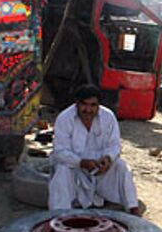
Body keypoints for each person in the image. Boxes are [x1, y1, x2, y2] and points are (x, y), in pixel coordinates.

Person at [49, 84, 141, 216]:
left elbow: (115, 145)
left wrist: (108, 158)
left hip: (99, 168)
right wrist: (81, 163)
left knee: (121, 166)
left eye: (93, 105)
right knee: (62, 170)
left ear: (98, 105)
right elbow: (60, 151)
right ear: (77, 104)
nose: (88, 109)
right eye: (84, 105)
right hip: (74, 167)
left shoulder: (108, 117)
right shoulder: (65, 118)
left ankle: (133, 209)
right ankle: (59, 215)